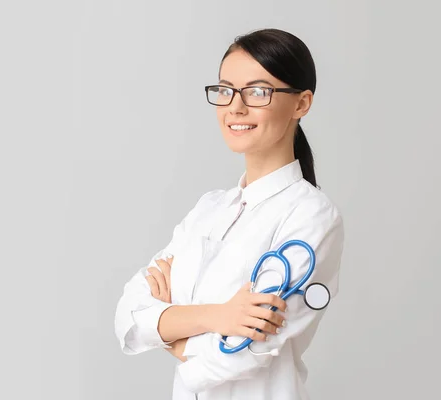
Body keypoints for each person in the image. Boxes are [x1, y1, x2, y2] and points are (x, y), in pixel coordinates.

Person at [114, 28, 345, 400]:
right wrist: (217, 316)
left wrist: (173, 337)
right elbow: (128, 317)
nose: (235, 107)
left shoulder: (312, 216)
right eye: (225, 90)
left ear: (301, 104)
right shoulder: (209, 208)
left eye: (257, 91)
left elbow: (241, 352)